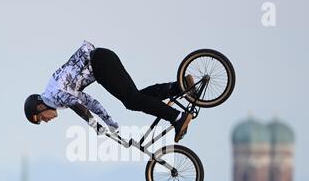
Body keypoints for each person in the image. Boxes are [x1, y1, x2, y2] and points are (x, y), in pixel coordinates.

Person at [24, 40, 193, 142]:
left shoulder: (53, 96)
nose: (45, 121)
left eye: (41, 119)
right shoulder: (56, 95)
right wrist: (110, 123)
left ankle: (178, 117)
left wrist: (94, 125)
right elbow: (89, 102)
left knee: (133, 100)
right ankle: (180, 87)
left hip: (99, 64)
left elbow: (78, 106)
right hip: (101, 60)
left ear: (40, 108)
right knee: (136, 98)